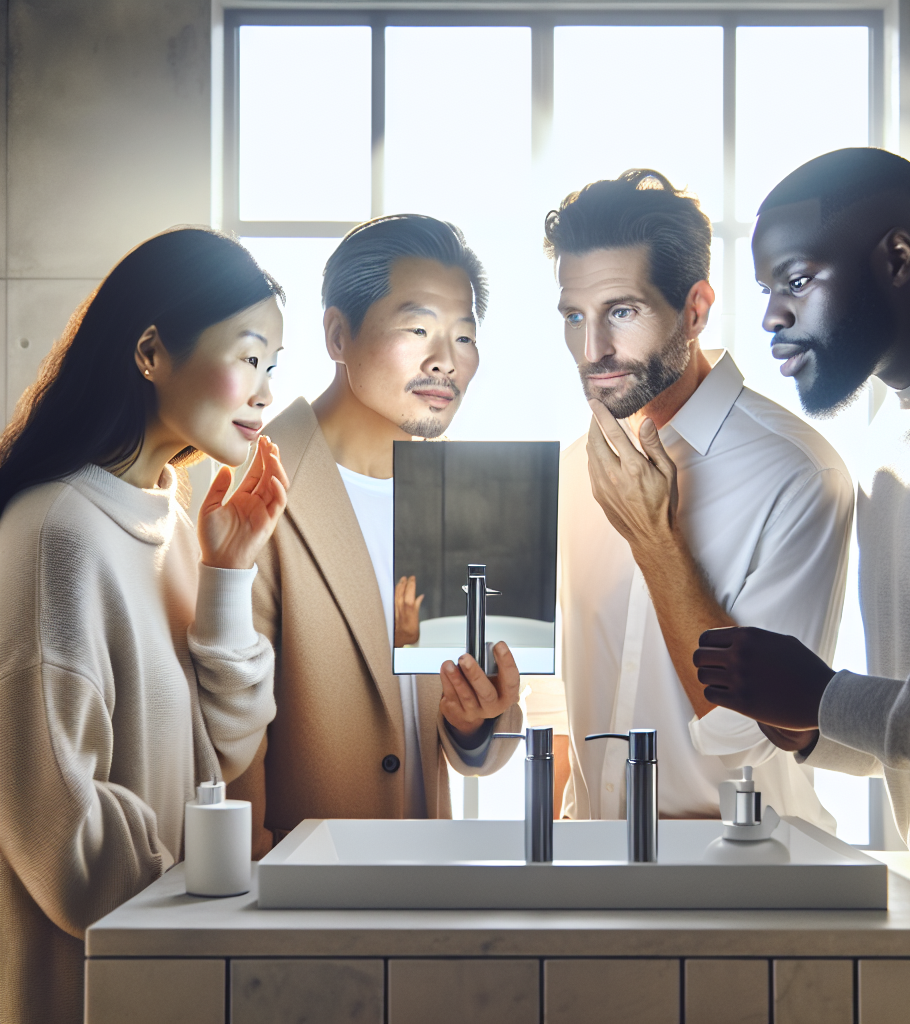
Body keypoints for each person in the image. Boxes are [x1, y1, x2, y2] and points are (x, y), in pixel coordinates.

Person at [694, 146, 910, 928]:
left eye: (797, 280)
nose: (774, 315)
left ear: (898, 256)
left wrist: (831, 696)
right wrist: (816, 725)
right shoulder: (888, 436)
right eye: (769, 290)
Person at [0, 227, 287, 1024]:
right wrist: (207, 883)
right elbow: (61, 833)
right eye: (249, 356)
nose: (265, 392)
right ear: (152, 351)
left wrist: (228, 576)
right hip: (96, 985)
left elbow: (222, 754)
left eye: (274, 367)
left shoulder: (173, 522)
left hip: (172, 968)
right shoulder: (60, 531)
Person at [546, 169, 853, 825]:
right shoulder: (575, 468)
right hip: (587, 877)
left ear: (695, 308)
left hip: (742, 887)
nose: (593, 349)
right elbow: (570, 712)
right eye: (575, 316)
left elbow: (747, 733)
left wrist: (656, 539)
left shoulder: (797, 473)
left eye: (621, 312)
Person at [228, 215, 522, 856]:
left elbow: (482, 754)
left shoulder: (461, 498)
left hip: (421, 887)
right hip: (299, 897)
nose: (445, 359)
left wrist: (474, 723)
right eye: (417, 328)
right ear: (338, 333)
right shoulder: (247, 488)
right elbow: (224, 733)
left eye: (464, 335)